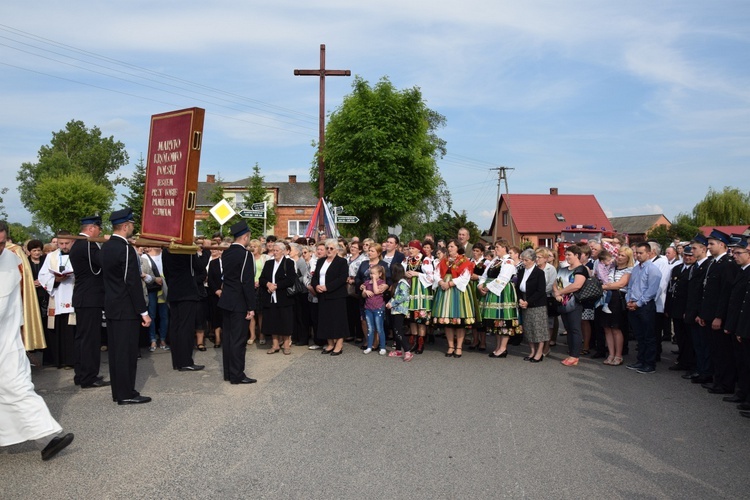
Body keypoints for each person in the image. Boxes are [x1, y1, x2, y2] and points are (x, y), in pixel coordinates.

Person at [0, 222, 74, 460]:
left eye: (2, 243)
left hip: (8, 342)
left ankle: (47, 438)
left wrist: (23, 333)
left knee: (20, 388)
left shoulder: (13, 260)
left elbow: (17, 304)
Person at [100, 208, 152, 404]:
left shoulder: (106, 247)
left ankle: (119, 391)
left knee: (116, 353)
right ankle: (126, 394)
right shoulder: (126, 249)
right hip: (126, 308)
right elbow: (131, 282)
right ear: (124, 226)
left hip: (112, 306)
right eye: (131, 225)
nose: (133, 228)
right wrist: (143, 311)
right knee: (126, 353)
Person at [68, 215, 109, 388]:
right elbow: (102, 262)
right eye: (99, 229)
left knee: (82, 338)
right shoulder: (87, 245)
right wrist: (108, 245)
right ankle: (88, 377)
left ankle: (81, 374)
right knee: (90, 340)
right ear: (91, 228)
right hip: (89, 298)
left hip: (84, 297)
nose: (100, 232)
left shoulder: (78, 244)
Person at [217, 221, 257, 384]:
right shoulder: (246, 254)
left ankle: (228, 372)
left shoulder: (226, 253)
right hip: (239, 302)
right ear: (245, 237)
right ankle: (237, 375)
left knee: (228, 338)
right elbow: (246, 282)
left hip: (227, 300)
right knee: (238, 340)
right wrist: (251, 306)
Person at [700, 229, 739, 394]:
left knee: (723, 353)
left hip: (718, 315)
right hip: (709, 313)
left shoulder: (727, 265)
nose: (708, 246)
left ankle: (725, 384)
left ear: (722, 245)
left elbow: (725, 294)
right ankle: (718, 380)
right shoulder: (713, 263)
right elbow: (707, 292)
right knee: (715, 350)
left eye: (711, 244)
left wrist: (718, 316)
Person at [161, 249, 206, 372]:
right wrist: (199, 252)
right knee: (186, 327)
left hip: (174, 290)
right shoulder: (187, 249)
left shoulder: (166, 249)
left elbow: (166, 272)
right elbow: (200, 266)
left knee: (175, 326)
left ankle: (177, 361)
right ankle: (186, 361)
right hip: (187, 291)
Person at [38, 230, 76, 369]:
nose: (64, 246)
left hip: (73, 293)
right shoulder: (51, 257)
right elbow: (43, 275)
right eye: (61, 243)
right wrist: (56, 279)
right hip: (57, 293)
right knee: (57, 326)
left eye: (67, 243)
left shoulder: (77, 255)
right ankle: (57, 360)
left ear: (73, 241)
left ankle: (71, 360)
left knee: (71, 328)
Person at [433, 239, 476, 358]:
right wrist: (441, 282)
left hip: (457, 291)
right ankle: (451, 346)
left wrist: (450, 283)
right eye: (449, 246)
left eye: (452, 246)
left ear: (458, 248)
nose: (450, 248)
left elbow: (465, 277)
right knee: (447, 321)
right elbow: (436, 273)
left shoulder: (464, 261)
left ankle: (459, 347)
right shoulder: (444, 261)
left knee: (459, 320)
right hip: (445, 291)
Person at [478, 240, 520, 358]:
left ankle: (503, 348)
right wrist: (480, 285)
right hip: (492, 291)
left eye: (497, 247)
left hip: (502, 292)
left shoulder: (508, 261)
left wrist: (486, 288)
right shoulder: (495, 261)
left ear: (504, 248)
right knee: (495, 321)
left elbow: (503, 278)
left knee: (503, 319)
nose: (495, 249)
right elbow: (485, 274)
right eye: (495, 247)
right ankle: (498, 346)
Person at [625, 242, 662, 374]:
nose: (638, 255)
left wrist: (638, 304)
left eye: (641, 253)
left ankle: (649, 364)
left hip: (645, 307)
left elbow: (651, 291)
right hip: (632, 304)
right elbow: (630, 287)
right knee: (639, 336)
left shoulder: (653, 270)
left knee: (649, 336)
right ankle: (640, 361)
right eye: (636, 253)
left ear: (649, 253)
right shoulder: (635, 269)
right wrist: (628, 300)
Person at [312, 238, 349, 355]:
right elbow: (315, 277)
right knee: (325, 320)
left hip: (336, 295)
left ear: (336, 250)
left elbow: (342, 278)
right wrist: (316, 285)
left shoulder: (341, 262)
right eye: (327, 248)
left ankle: (339, 344)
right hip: (322, 295)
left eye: (331, 248)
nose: (329, 250)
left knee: (337, 320)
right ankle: (330, 343)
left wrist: (327, 287)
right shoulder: (321, 261)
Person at [259, 241, 297, 355]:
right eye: (273, 250)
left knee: (285, 322)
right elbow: (262, 278)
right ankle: (275, 345)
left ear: (283, 251)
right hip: (270, 297)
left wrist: (277, 286)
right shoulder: (269, 263)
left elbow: (291, 279)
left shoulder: (289, 262)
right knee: (272, 321)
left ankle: (286, 345)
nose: (274, 253)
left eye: (277, 250)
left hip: (283, 297)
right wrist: (268, 284)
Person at [553, 245, 588, 367]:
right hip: (562, 302)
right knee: (568, 328)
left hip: (575, 303)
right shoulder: (563, 268)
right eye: (566, 254)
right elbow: (555, 283)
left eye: (569, 255)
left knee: (575, 329)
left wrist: (560, 292)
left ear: (577, 256)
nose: (566, 257)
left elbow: (577, 285)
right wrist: (556, 293)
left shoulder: (581, 269)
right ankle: (571, 352)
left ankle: (575, 355)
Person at [600, 246, 633, 366]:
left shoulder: (629, 270)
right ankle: (611, 354)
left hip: (618, 299)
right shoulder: (612, 268)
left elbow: (621, 284)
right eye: (618, 254)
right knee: (607, 328)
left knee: (616, 328)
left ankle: (618, 355)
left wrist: (604, 286)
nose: (619, 257)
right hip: (607, 298)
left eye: (623, 255)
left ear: (628, 258)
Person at [665, 244, 695, 372]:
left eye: (690, 255)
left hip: (686, 309)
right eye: (685, 255)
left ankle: (690, 363)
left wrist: (688, 311)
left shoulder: (695, 270)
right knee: (680, 337)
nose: (687, 257)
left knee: (689, 339)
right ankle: (682, 361)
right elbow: (670, 289)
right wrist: (667, 307)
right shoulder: (677, 268)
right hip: (675, 308)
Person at [517, 248, 549, 362]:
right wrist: (520, 299)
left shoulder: (539, 273)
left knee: (538, 328)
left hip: (537, 304)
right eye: (523, 260)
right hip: (524, 301)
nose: (524, 262)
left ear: (533, 260)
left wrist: (528, 302)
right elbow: (518, 287)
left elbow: (541, 290)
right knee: (529, 328)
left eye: (526, 260)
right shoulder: (521, 271)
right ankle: (532, 351)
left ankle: (539, 352)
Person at [404, 239, 435, 354]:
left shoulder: (425, 260)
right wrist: (405, 274)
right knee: (412, 318)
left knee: (421, 318)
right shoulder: (407, 260)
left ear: (418, 249)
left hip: (421, 292)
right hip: (411, 291)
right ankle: (414, 342)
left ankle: (421, 344)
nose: (410, 250)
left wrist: (417, 274)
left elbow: (431, 277)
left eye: (412, 248)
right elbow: (403, 271)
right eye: (409, 248)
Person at [141, 247, 169, 352]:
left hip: (164, 288)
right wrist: (154, 279)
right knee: (151, 314)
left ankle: (163, 339)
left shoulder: (165, 255)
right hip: (151, 288)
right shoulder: (144, 257)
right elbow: (142, 273)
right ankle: (152, 339)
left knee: (164, 315)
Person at [386, 263, 414, 361]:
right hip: (395, 310)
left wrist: (392, 303)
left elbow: (403, 296)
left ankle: (407, 350)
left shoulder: (403, 283)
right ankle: (398, 350)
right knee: (395, 329)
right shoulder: (398, 282)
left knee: (398, 330)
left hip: (400, 309)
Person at [362, 265, 388, 355]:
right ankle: (369, 346)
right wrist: (365, 291)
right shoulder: (366, 282)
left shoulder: (381, 282)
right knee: (370, 328)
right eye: (371, 273)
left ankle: (382, 347)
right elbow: (363, 295)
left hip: (378, 307)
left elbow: (376, 291)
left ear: (380, 274)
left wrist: (373, 281)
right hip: (368, 307)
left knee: (379, 328)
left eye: (374, 274)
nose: (371, 275)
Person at [466, 242, 487, 351]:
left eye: (477, 251)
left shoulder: (486, 262)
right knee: (473, 314)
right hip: (470, 287)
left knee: (481, 315)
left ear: (482, 252)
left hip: (480, 288)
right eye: (474, 251)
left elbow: (487, 277)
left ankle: (483, 341)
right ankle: (475, 339)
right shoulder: (469, 261)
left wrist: (477, 277)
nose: (475, 253)